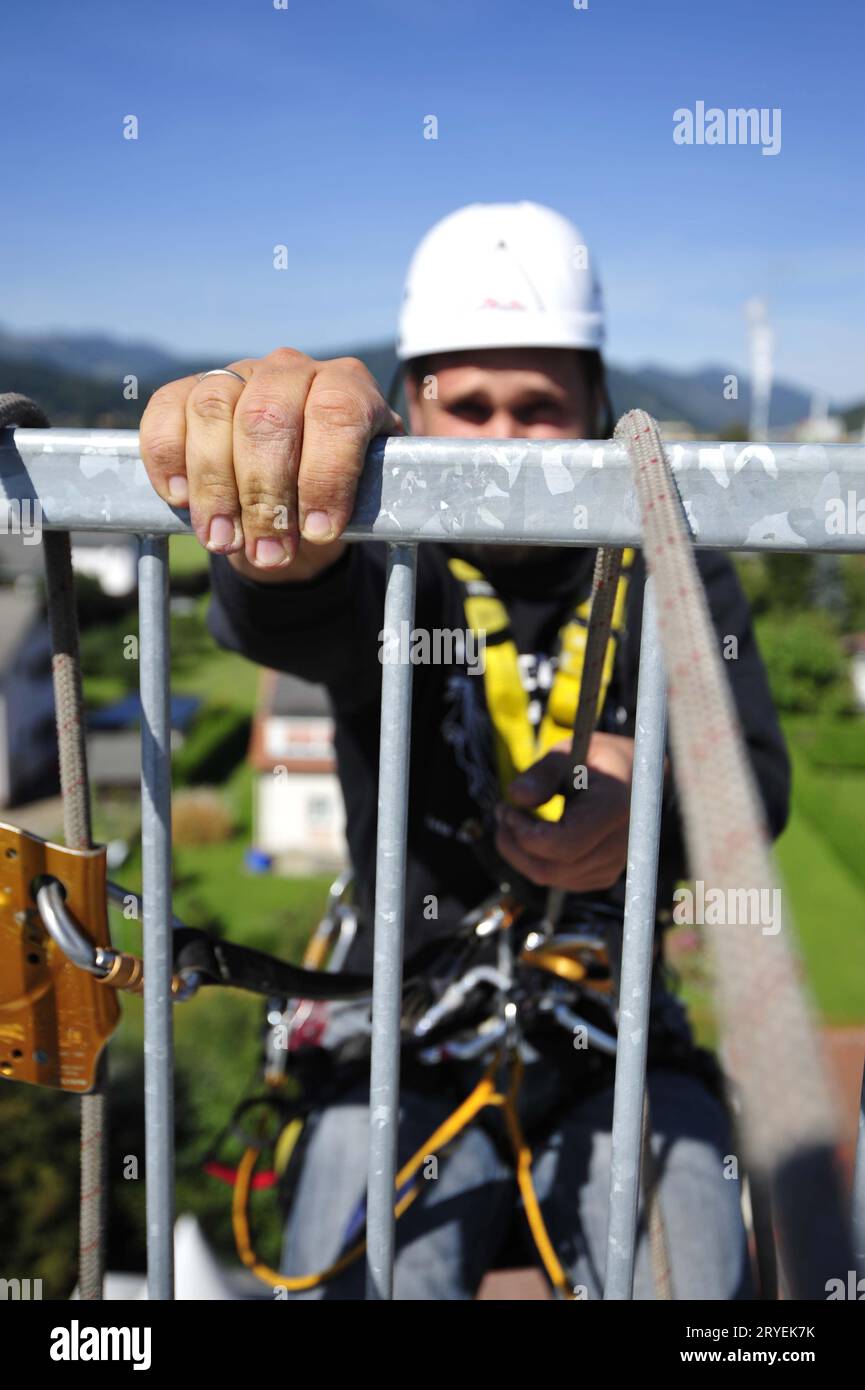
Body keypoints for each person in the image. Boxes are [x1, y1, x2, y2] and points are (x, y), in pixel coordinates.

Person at [139, 201, 790, 1299]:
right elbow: (295, 615)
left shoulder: (664, 550)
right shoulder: (402, 557)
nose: (499, 440)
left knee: (700, 1273)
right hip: (402, 1017)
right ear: (403, 412)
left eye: (538, 408)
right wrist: (279, 516)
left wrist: (652, 802)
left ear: (597, 405)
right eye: (467, 404)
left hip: (609, 1023)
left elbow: (755, 778)